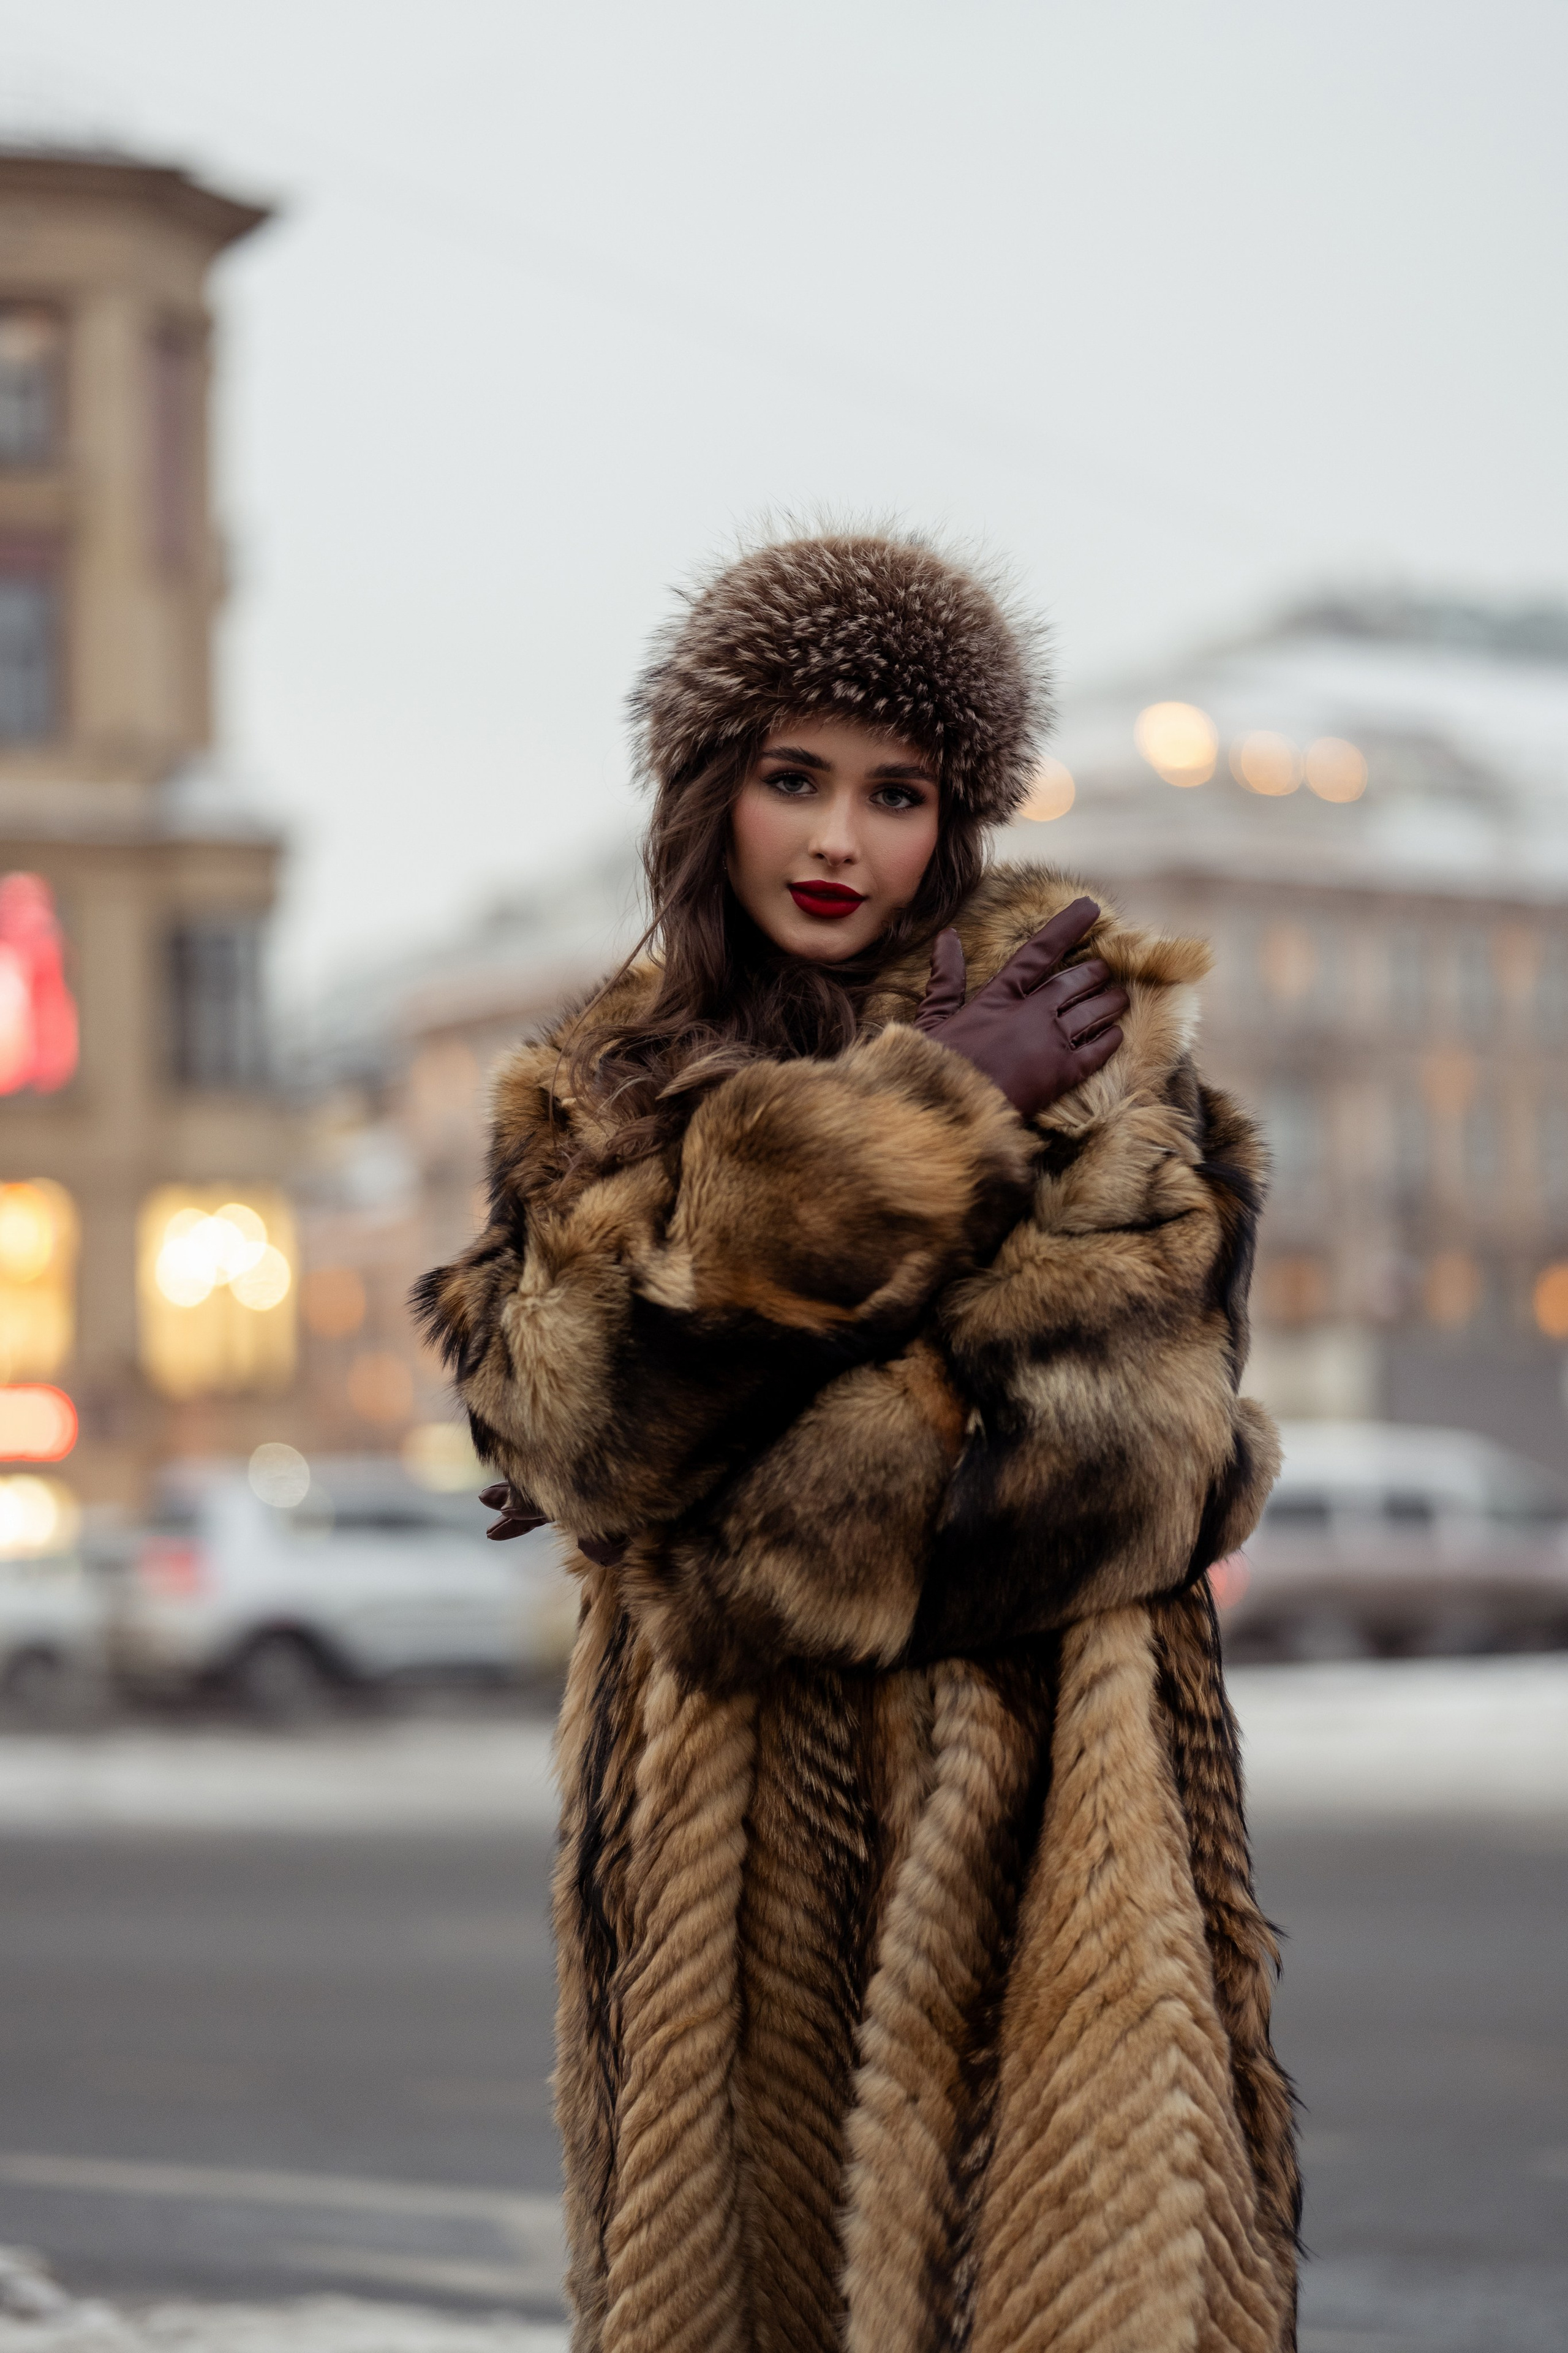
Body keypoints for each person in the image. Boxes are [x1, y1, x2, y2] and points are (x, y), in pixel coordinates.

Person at [415, 531, 1300, 2353]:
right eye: (792, 777)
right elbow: (566, 1418)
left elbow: (1127, 1466)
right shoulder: (600, 1085)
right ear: (708, 790)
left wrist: (707, 1530)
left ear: (956, 817)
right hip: (715, 1897)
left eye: (898, 793)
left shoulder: (1099, 1047)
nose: (840, 843)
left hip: (1036, 1855)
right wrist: (925, 1120)